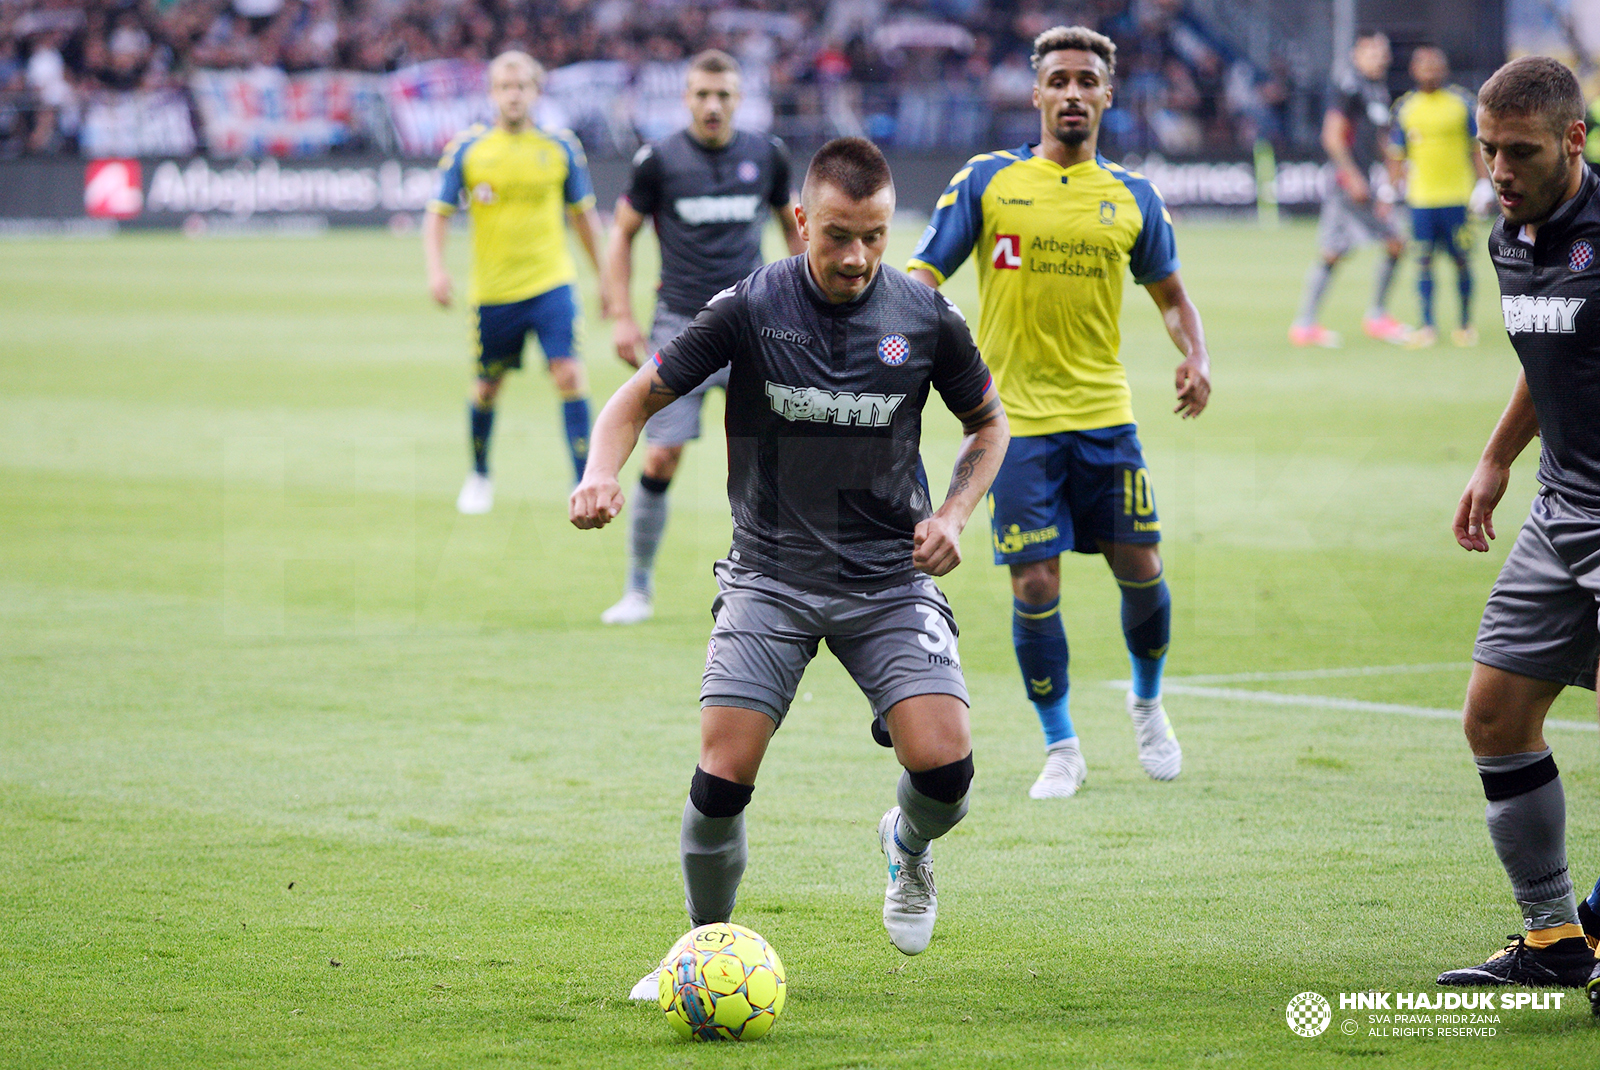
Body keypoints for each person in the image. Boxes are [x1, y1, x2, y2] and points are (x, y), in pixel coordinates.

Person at [570, 137, 1009, 991]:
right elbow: (636, 399)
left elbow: (989, 426)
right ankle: (700, 950)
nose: (856, 257)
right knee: (722, 777)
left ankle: (906, 844)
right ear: (802, 220)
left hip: (888, 576)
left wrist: (955, 513)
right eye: (838, 234)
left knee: (947, 771)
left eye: (875, 237)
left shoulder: (925, 318)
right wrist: (598, 473)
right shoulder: (749, 306)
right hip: (770, 573)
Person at [906, 25, 1210, 799]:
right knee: (1034, 585)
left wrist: (1194, 355)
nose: (1072, 92)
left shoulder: (1133, 196)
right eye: (1059, 80)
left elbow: (1172, 296)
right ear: (1036, 92)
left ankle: (1147, 704)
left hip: (1105, 415)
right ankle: (1062, 745)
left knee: (1140, 569)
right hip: (1015, 426)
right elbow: (922, 276)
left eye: (1086, 81)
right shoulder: (987, 182)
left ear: (1107, 95)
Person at [1440, 55, 1600, 999]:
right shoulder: (1511, 234)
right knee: (1496, 718)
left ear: (1575, 140)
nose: (1499, 169)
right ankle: (1555, 940)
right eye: (1488, 149)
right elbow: (1549, 353)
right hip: (1561, 504)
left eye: (1521, 151)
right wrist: (1499, 458)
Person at [598, 49, 805, 625]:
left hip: (757, 326)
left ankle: (780, 584)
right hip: (682, 325)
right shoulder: (658, 161)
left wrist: (815, 306)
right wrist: (620, 313)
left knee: (776, 457)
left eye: (724, 95)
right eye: (702, 95)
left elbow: (792, 226)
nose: (713, 106)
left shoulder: (767, 155)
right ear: (686, 98)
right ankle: (638, 587)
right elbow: (621, 235)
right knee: (661, 454)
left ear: (739, 99)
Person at [423, 51, 605, 515]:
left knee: (568, 373)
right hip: (494, 291)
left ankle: (582, 478)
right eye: (504, 87)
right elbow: (436, 215)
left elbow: (583, 217)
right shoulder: (469, 148)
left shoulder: (560, 146)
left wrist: (606, 277)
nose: (513, 94)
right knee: (487, 386)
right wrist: (436, 269)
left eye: (521, 86)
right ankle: (480, 474)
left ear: (536, 91)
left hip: (551, 284)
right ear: (491, 93)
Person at [1288, 32, 1410, 348]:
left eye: (1384, 52)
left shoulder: (1376, 89)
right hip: (1349, 185)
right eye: (1373, 52)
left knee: (1333, 252)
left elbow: (1383, 139)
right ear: (1357, 53)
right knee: (1395, 241)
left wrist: (1392, 175)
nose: (1381, 58)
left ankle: (1305, 325)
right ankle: (1377, 317)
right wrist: (1352, 176)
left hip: (1363, 182)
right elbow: (1332, 136)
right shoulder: (1348, 86)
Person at [1386, 46, 1492, 348]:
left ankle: (1465, 324)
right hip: (1421, 199)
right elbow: (1396, 154)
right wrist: (1390, 190)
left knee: (1461, 260)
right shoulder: (1405, 108)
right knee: (1423, 261)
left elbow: (1476, 149)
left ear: (1444, 69)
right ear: (1414, 71)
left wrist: (1483, 185)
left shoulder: (1461, 103)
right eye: (1424, 66)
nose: (1430, 71)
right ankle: (1428, 325)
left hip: (1457, 196)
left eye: (1435, 65)